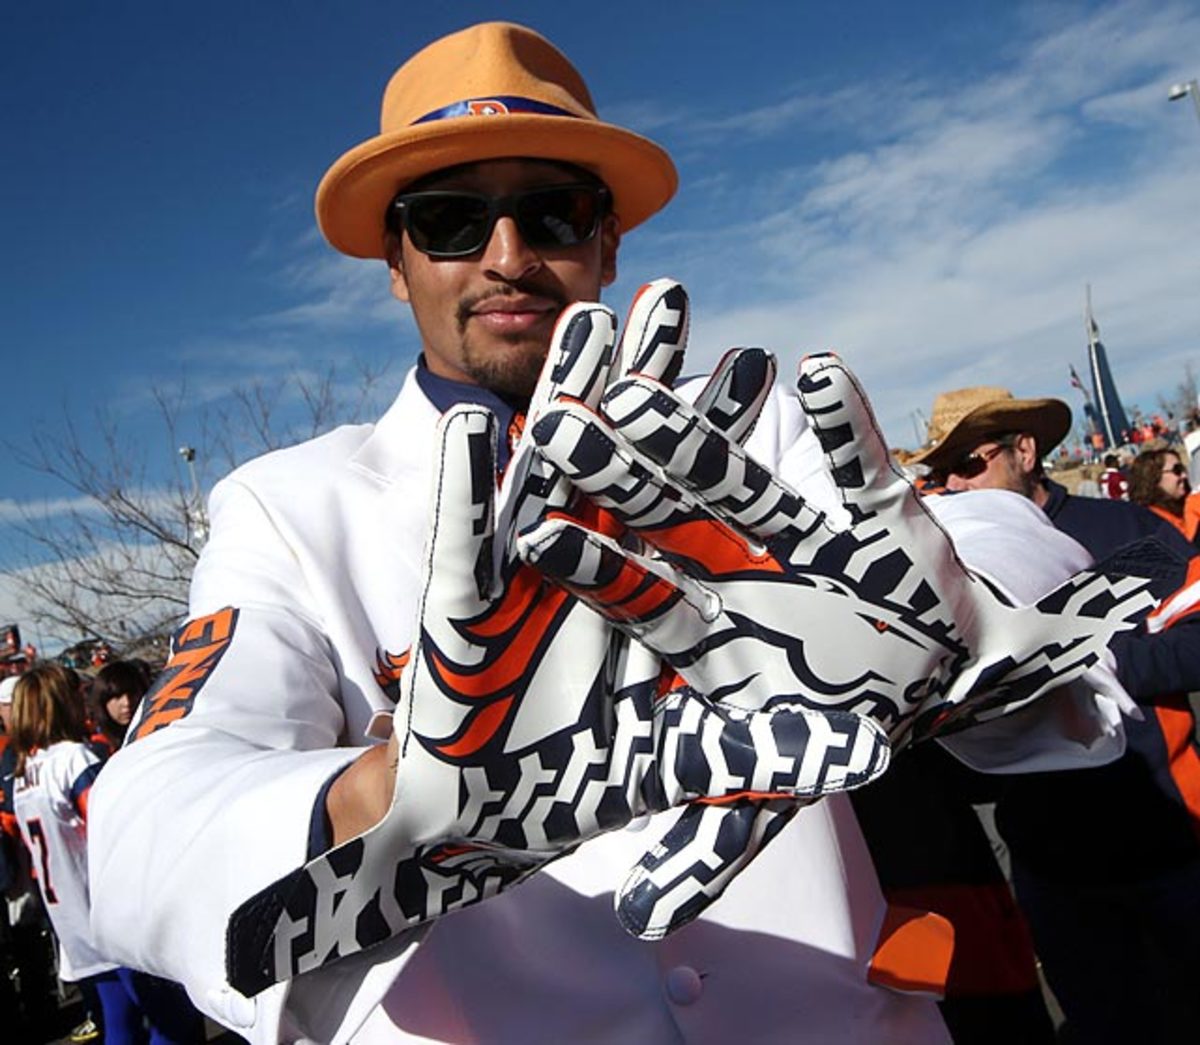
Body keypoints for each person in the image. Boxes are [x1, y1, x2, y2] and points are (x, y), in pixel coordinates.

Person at [89, 24, 1141, 1044]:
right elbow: (145, 829)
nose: (507, 256)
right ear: (395, 259)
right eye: (452, 219)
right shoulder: (290, 505)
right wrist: (398, 789)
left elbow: (998, 533)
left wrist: (949, 617)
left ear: (607, 240)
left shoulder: (753, 423)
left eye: (551, 211)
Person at [913, 386, 1200, 1045]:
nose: (955, 482)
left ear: (1025, 449)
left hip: (1175, 847)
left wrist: (1082, 661)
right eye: (941, 472)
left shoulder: (1128, 533)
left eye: (970, 461)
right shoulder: (948, 572)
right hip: (1055, 877)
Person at [2, 664, 205, 1044]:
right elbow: (113, 827)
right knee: (174, 1022)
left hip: (71, 920)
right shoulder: (74, 758)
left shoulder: (24, 773)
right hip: (111, 913)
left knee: (120, 1020)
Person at [1128, 445, 1200, 544]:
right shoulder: (1152, 523)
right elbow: (1187, 549)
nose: (1184, 475)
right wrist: (1194, 507)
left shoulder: (1182, 508)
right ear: (1154, 477)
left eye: (1183, 469)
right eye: (1177, 470)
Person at [87, 659, 154, 756]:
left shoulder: (160, 732)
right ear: (103, 701)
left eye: (132, 694)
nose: (127, 703)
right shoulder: (98, 750)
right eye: (117, 696)